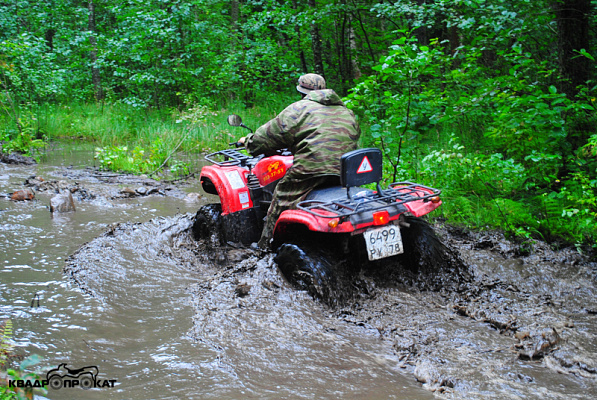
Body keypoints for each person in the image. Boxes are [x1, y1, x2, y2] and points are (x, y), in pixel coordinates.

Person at [238, 73, 361, 249]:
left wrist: (248, 141)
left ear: (301, 91)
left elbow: (267, 137)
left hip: (312, 169)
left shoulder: (298, 109)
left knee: (281, 197)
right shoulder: (346, 111)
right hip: (346, 171)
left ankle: (265, 248)